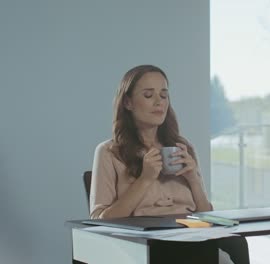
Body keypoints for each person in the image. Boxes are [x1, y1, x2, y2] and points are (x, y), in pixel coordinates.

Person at [89, 65, 248, 264]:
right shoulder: (108, 152)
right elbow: (100, 220)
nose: (159, 102)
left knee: (237, 243)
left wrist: (194, 179)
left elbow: (207, 216)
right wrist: (145, 179)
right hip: (144, 243)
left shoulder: (182, 147)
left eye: (164, 95)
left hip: (190, 236)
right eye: (148, 95)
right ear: (128, 102)